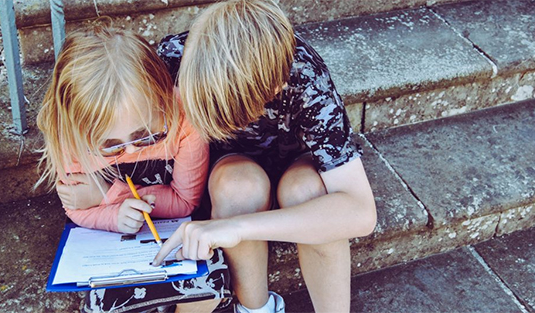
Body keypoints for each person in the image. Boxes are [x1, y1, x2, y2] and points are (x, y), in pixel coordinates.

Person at [153, 1, 377, 312]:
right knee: (238, 186)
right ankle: (256, 308)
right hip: (228, 171)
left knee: (307, 192)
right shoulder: (174, 57)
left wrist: (239, 227)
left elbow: (360, 211)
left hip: (296, 164)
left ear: (276, 85)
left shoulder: (303, 74)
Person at [35, 25, 231, 313]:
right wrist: (115, 215)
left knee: (206, 289)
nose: (130, 151)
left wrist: (109, 193)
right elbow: (77, 208)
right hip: (114, 246)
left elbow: (185, 202)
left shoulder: (185, 120)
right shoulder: (70, 138)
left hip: (176, 234)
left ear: (163, 99)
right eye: (110, 146)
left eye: (147, 135)